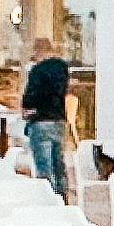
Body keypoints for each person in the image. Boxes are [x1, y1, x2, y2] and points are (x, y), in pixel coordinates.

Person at [19, 49, 73, 199]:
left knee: (44, 168)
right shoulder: (61, 70)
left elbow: (30, 98)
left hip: (40, 121)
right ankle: (62, 198)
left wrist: (27, 108)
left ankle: (48, 200)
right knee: (58, 165)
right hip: (58, 121)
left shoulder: (37, 71)